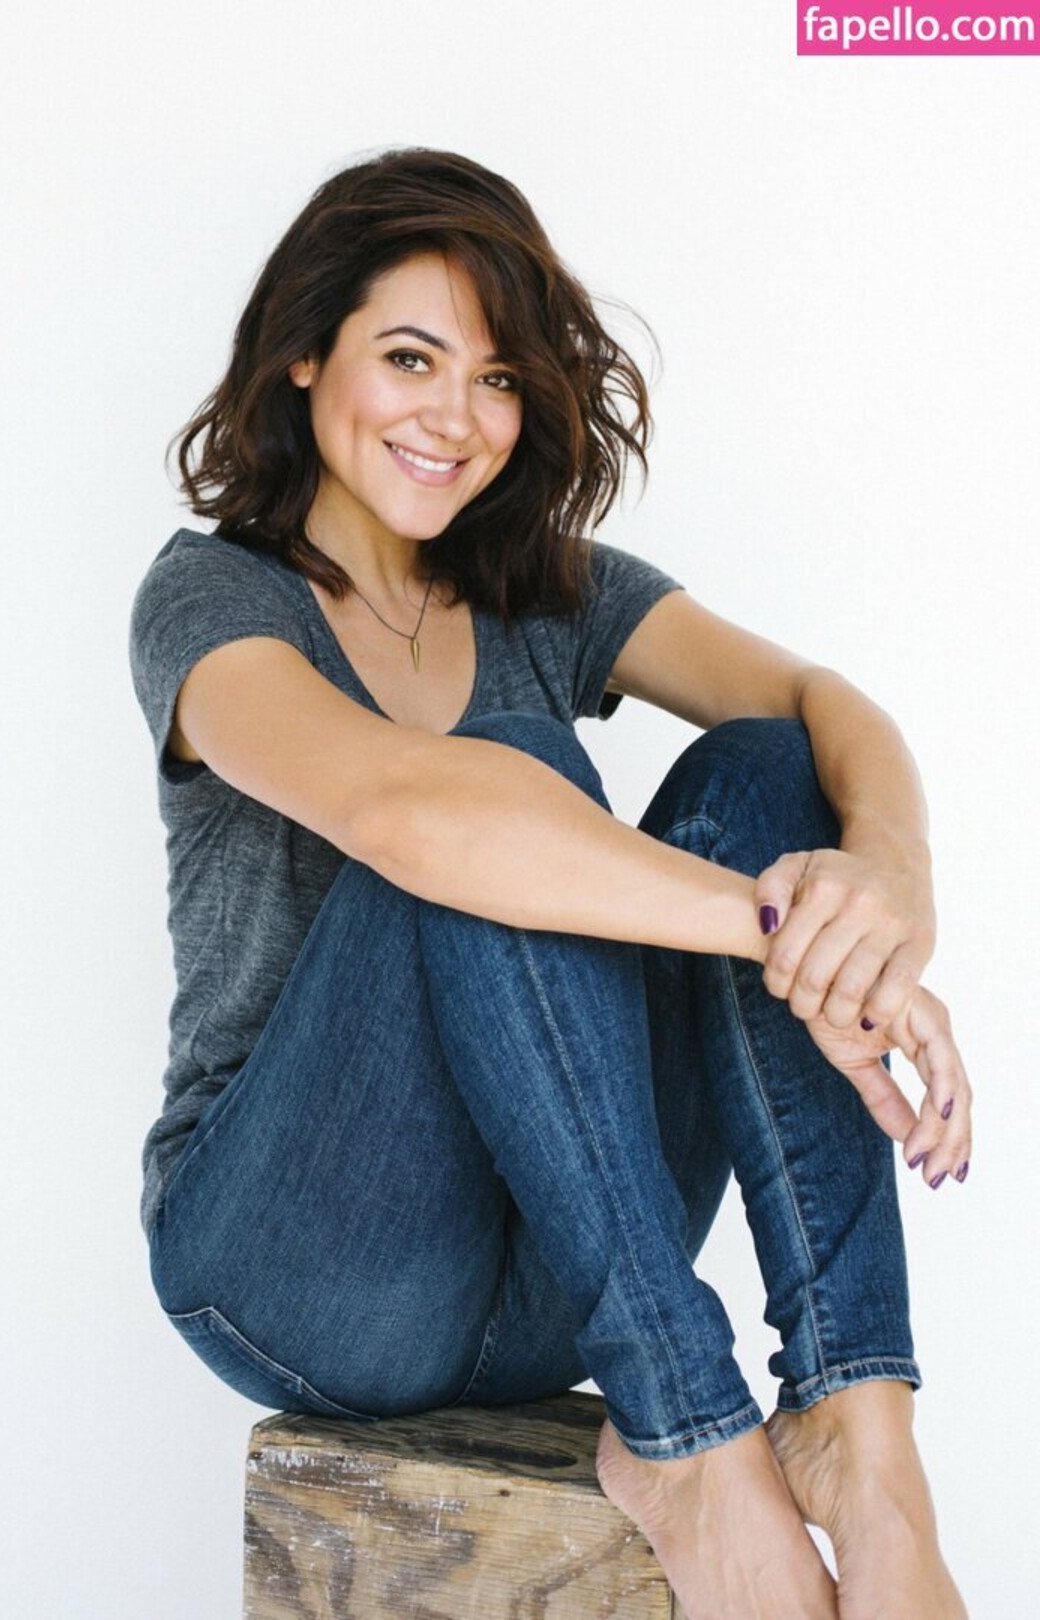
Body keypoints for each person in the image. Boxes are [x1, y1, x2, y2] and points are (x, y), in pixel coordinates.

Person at [128, 145, 972, 1618]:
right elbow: (408, 814)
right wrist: (782, 935)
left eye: (500, 378)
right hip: (298, 1266)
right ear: (306, 353)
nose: (455, 418)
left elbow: (823, 704)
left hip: (555, 1270)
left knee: (767, 773)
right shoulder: (212, 598)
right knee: (503, 779)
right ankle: (693, 1438)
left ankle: (861, 1427)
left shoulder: (545, 590)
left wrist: (882, 899)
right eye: (410, 357)